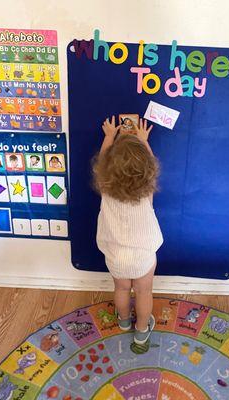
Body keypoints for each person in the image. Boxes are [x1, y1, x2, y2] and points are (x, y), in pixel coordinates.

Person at [93, 116, 163, 344]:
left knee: (121, 289)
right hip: (142, 256)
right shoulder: (146, 191)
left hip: (115, 255)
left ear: (106, 171)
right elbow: (150, 163)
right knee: (143, 292)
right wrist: (143, 140)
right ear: (147, 172)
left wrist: (109, 137)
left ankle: (123, 321)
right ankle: (141, 330)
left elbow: (102, 160)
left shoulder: (105, 186)